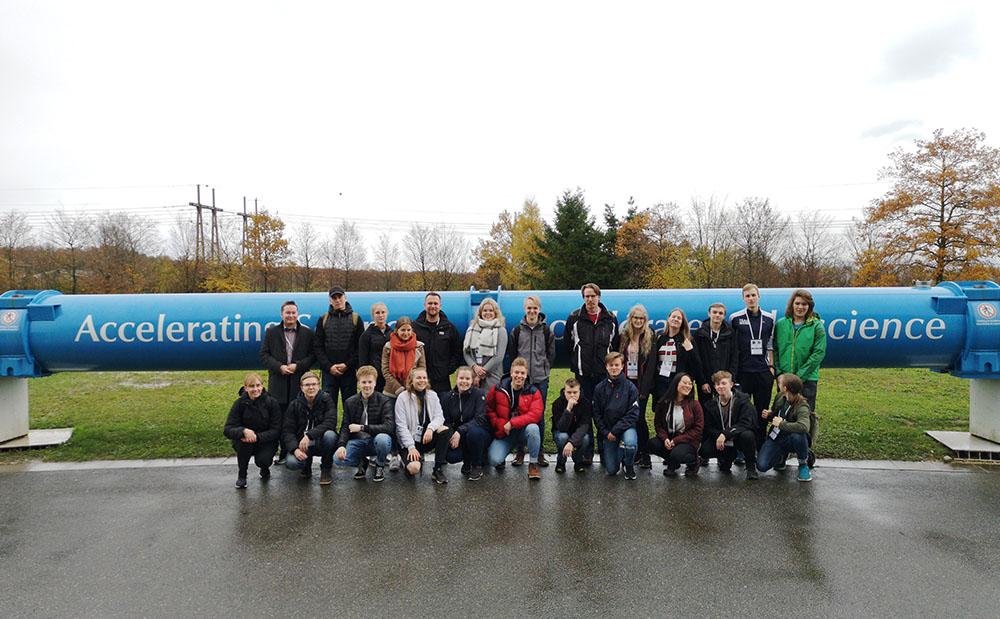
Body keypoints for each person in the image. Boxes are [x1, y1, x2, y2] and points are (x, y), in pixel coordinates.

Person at [564, 283, 620, 463]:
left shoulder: (610, 318)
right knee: (585, 413)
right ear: (583, 298)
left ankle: (605, 452)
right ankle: (587, 453)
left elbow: (615, 345)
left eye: (593, 296)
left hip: (604, 376)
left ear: (599, 297)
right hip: (583, 375)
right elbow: (568, 345)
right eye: (586, 296)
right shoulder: (574, 318)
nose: (590, 300)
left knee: (605, 413)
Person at [259, 300, 316, 465]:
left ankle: (301, 453)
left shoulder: (307, 333)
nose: (290, 315)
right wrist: (279, 367)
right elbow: (264, 355)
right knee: (280, 419)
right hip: (278, 384)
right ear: (282, 314)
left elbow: (312, 356)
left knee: (298, 419)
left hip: (299, 383)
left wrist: (298, 366)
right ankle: (284, 452)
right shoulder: (271, 332)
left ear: (297, 314)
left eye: (293, 312)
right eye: (287, 312)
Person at [507, 295, 555, 467]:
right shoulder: (517, 330)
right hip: (522, 380)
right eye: (529, 308)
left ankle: (539, 452)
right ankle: (520, 452)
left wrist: (544, 369)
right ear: (524, 309)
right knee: (520, 414)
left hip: (540, 379)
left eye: (535, 308)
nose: (532, 311)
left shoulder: (546, 330)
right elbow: (512, 355)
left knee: (539, 416)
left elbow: (551, 354)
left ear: (539, 310)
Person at [730, 284, 777, 449]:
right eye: (747, 296)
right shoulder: (735, 318)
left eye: (753, 295)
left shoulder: (769, 318)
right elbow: (733, 345)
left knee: (762, 410)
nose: (751, 298)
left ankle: (760, 444)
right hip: (743, 372)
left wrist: (771, 366)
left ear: (759, 296)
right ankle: (742, 447)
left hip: (763, 372)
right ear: (743, 298)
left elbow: (771, 343)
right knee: (741, 411)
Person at [333, 366, 395, 483]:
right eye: (364, 382)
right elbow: (345, 427)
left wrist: (362, 427)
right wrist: (341, 445)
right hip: (358, 441)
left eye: (370, 382)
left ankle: (380, 465)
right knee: (337, 459)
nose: (367, 385)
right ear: (358, 383)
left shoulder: (384, 400)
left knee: (383, 439)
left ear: (375, 383)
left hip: (376, 441)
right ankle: (362, 462)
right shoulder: (350, 402)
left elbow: (389, 426)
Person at [486, 357, 545, 480]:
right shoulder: (498, 389)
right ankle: (503, 457)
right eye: (516, 372)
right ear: (511, 373)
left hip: (523, 431)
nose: (519, 376)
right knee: (494, 460)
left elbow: (535, 414)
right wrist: (499, 424)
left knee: (533, 428)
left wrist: (512, 423)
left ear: (526, 374)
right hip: (505, 432)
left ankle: (533, 464)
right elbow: (488, 409)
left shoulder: (534, 391)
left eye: (522, 373)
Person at [223, 373, 282, 489]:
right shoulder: (239, 404)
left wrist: (257, 436)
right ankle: (242, 476)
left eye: (258, 385)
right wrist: (243, 431)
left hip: (266, 441)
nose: (255, 389)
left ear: (262, 386)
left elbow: (276, 430)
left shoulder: (272, 403)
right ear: (245, 387)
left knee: (263, 461)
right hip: (245, 440)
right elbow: (228, 429)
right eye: (251, 386)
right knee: (245, 443)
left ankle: (264, 468)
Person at [773, 288, 827, 412]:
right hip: (784, 379)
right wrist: (779, 374)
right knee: (782, 414)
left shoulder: (817, 326)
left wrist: (798, 377)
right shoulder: (781, 324)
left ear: (809, 306)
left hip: (807, 380)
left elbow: (818, 353)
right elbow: (775, 350)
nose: (800, 307)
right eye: (797, 303)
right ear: (792, 304)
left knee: (805, 415)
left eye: (804, 304)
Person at [394, 367, 451, 483]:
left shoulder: (432, 395)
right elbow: (401, 426)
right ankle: (407, 463)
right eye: (418, 378)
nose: (422, 380)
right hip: (409, 442)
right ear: (411, 380)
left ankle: (437, 470)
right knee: (414, 468)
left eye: (424, 377)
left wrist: (430, 428)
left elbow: (440, 417)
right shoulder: (403, 398)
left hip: (426, 438)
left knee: (444, 430)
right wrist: (411, 447)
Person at [699, 371, 759, 480]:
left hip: (738, 436)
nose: (720, 386)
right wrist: (720, 435)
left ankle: (751, 467)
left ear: (731, 384)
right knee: (705, 450)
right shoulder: (711, 404)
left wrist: (725, 434)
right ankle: (727, 457)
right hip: (722, 439)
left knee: (748, 436)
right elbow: (708, 427)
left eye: (723, 383)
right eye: (717, 384)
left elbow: (745, 423)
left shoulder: (743, 400)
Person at [758, 373, 817, 482]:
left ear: (785, 388)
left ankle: (803, 463)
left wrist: (781, 424)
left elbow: (804, 427)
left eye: (780, 383)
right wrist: (770, 415)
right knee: (762, 466)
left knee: (798, 436)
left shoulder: (802, 405)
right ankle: (781, 456)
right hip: (777, 437)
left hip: (792, 437)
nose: (778, 384)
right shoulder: (780, 397)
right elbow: (777, 415)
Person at [282, 372, 339, 485]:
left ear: (319, 385)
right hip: (301, 444)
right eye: (307, 385)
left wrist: (309, 435)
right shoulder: (294, 405)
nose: (311, 387)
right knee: (292, 462)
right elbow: (288, 431)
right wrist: (295, 449)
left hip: (320, 441)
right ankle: (306, 466)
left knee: (330, 435)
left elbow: (330, 422)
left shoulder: (326, 400)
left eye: (314, 384)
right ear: (301, 387)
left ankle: (326, 468)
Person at [313, 285, 364, 410]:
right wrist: (329, 366)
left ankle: (348, 429)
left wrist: (347, 364)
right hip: (329, 372)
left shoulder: (356, 318)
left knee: (351, 404)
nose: (337, 300)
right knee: (328, 405)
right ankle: (329, 429)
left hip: (349, 371)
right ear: (330, 300)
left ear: (345, 297)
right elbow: (318, 346)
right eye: (334, 297)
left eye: (339, 296)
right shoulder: (323, 319)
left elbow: (360, 347)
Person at [439, 366, 493, 481]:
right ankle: (467, 461)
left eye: (467, 379)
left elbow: (480, 419)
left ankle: (476, 465)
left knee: (474, 433)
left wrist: (460, 431)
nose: (464, 381)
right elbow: (446, 421)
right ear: (456, 379)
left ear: (472, 380)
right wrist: (452, 434)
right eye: (461, 378)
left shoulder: (479, 394)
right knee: (451, 456)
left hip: (479, 433)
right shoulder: (448, 397)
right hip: (459, 435)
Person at [592, 352, 640, 479]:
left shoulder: (631, 387)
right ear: (606, 367)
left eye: (617, 365)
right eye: (611, 365)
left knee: (630, 443)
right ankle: (620, 452)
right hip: (608, 431)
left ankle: (628, 464)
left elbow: (633, 414)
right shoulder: (599, 388)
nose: (614, 368)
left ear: (622, 366)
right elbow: (596, 414)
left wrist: (616, 430)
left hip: (626, 428)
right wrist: (606, 432)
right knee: (611, 470)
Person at [619, 304, 656, 469]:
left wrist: (644, 389)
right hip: (626, 382)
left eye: (641, 318)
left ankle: (645, 453)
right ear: (631, 319)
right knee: (627, 417)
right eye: (636, 318)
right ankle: (631, 452)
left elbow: (651, 365)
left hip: (642, 385)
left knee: (639, 418)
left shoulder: (650, 336)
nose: (638, 321)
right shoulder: (623, 336)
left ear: (645, 320)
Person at [648, 372, 704, 477]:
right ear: (676, 383)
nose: (688, 386)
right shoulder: (664, 403)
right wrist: (665, 439)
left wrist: (676, 440)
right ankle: (673, 462)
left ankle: (694, 462)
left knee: (677, 454)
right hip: (669, 438)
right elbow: (658, 425)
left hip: (688, 441)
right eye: (685, 383)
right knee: (653, 444)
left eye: (690, 384)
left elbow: (698, 429)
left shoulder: (695, 404)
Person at [648, 307, 703, 403]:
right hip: (662, 381)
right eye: (673, 316)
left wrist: (690, 350)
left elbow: (697, 364)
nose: (676, 319)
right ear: (668, 319)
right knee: (662, 410)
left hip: (678, 381)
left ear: (682, 322)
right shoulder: (660, 338)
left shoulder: (687, 340)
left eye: (679, 318)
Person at [413, 291, 463, 396]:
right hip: (421, 380)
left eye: (435, 304)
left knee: (442, 410)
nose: (433, 306)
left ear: (440, 306)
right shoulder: (415, 327)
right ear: (424, 305)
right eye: (430, 303)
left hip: (442, 382)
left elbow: (458, 350)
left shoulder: (449, 327)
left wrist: (449, 369)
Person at [693, 302, 739, 404]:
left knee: (726, 407)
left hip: (724, 380)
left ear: (724, 316)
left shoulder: (730, 333)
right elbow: (697, 359)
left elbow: (734, 357)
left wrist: (730, 378)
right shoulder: (700, 333)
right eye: (714, 312)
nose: (717, 315)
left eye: (720, 313)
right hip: (706, 380)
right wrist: (702, 381)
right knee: (706, 408)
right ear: (709, 314)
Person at [463, 298, 507, 392]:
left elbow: (499, 357)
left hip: (492, 377)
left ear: (496, 312)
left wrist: (481, 374)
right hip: (473, 376)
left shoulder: (500, 330)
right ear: (480, 312)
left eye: (491, 310)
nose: (488, 313)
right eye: (485, 310)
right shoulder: (472, 328)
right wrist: (474, 367)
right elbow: (466, 352)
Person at [551, 378, 593, 473]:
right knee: (563, 437)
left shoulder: (585, 403)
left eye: (575, 392)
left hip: (577, 431)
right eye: (569, 392)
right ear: (564, 391)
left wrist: (571, 442)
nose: (572, 395)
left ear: (579, 391)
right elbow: (561, 427)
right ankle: (561, 463)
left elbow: (584, 426)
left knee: (586, 438)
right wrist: (568, 409)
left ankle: (578, 462)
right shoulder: (557, 403)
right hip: (561, 431)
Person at [380, 316, 426, 397]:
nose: (406, 333)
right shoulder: (388, 347)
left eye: (408, 330)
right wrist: (399, 389)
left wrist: (411, 387)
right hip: (392, 392)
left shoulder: (419, 347)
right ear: (396, 330)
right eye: (403, 330)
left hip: (413, 391)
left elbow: (422, 368)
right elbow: (386, 371)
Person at [358, 302, 392, 394]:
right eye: (377, 313)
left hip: (390, 377)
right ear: (373, 315)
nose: (380, 315)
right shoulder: (366, 335)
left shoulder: (392, 333)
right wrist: (366, 378)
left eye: (383, 312)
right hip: (374, 377)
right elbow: (362, 360)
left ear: (387, 314)